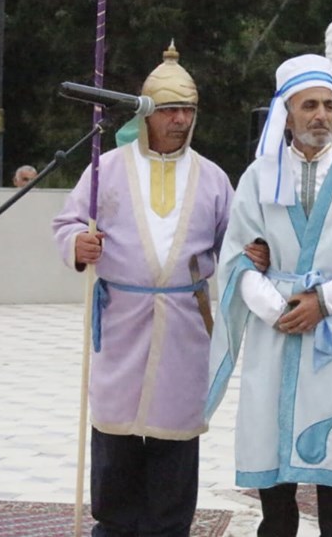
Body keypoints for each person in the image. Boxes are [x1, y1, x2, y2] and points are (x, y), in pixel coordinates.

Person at [206, 54, 332, 537]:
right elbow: (236, 258)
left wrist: (324, 301)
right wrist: (277, 310)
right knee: (274, 481)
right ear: (287, 114)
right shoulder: (258, 178)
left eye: (328, 105)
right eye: (309, 105)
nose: (321, 116)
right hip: (275, 335)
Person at [52, 43, 233, 537]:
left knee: (175, 444)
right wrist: (77, 243)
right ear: (146, 113)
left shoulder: (214, 178)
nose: (180, 120)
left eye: (188, 110)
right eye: (170, 109)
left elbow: (235, 244)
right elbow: (67, 222)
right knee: (116, 438)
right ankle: (112, 528)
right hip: (122, 323)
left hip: (183, 328)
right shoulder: (106, 168)